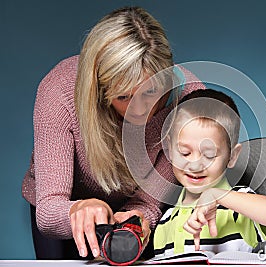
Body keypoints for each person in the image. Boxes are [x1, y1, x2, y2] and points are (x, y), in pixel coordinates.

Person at [21, 6, 205, 260]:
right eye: (123, 96)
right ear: (99, 89)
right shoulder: (59, 91)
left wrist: (139, 217)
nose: (140, 110)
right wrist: (78, 209)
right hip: (68, 206)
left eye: (151, 92)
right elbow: (49, 210)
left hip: (138, 205)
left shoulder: (190, 100)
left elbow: (148, 202)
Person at [153, 89, 266, 256]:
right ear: (169, 151)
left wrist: (217, 195)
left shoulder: (238, 205)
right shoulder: (165, 221)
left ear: (232, 156)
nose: (195, 165)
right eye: (185, 153)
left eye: (209, 155)